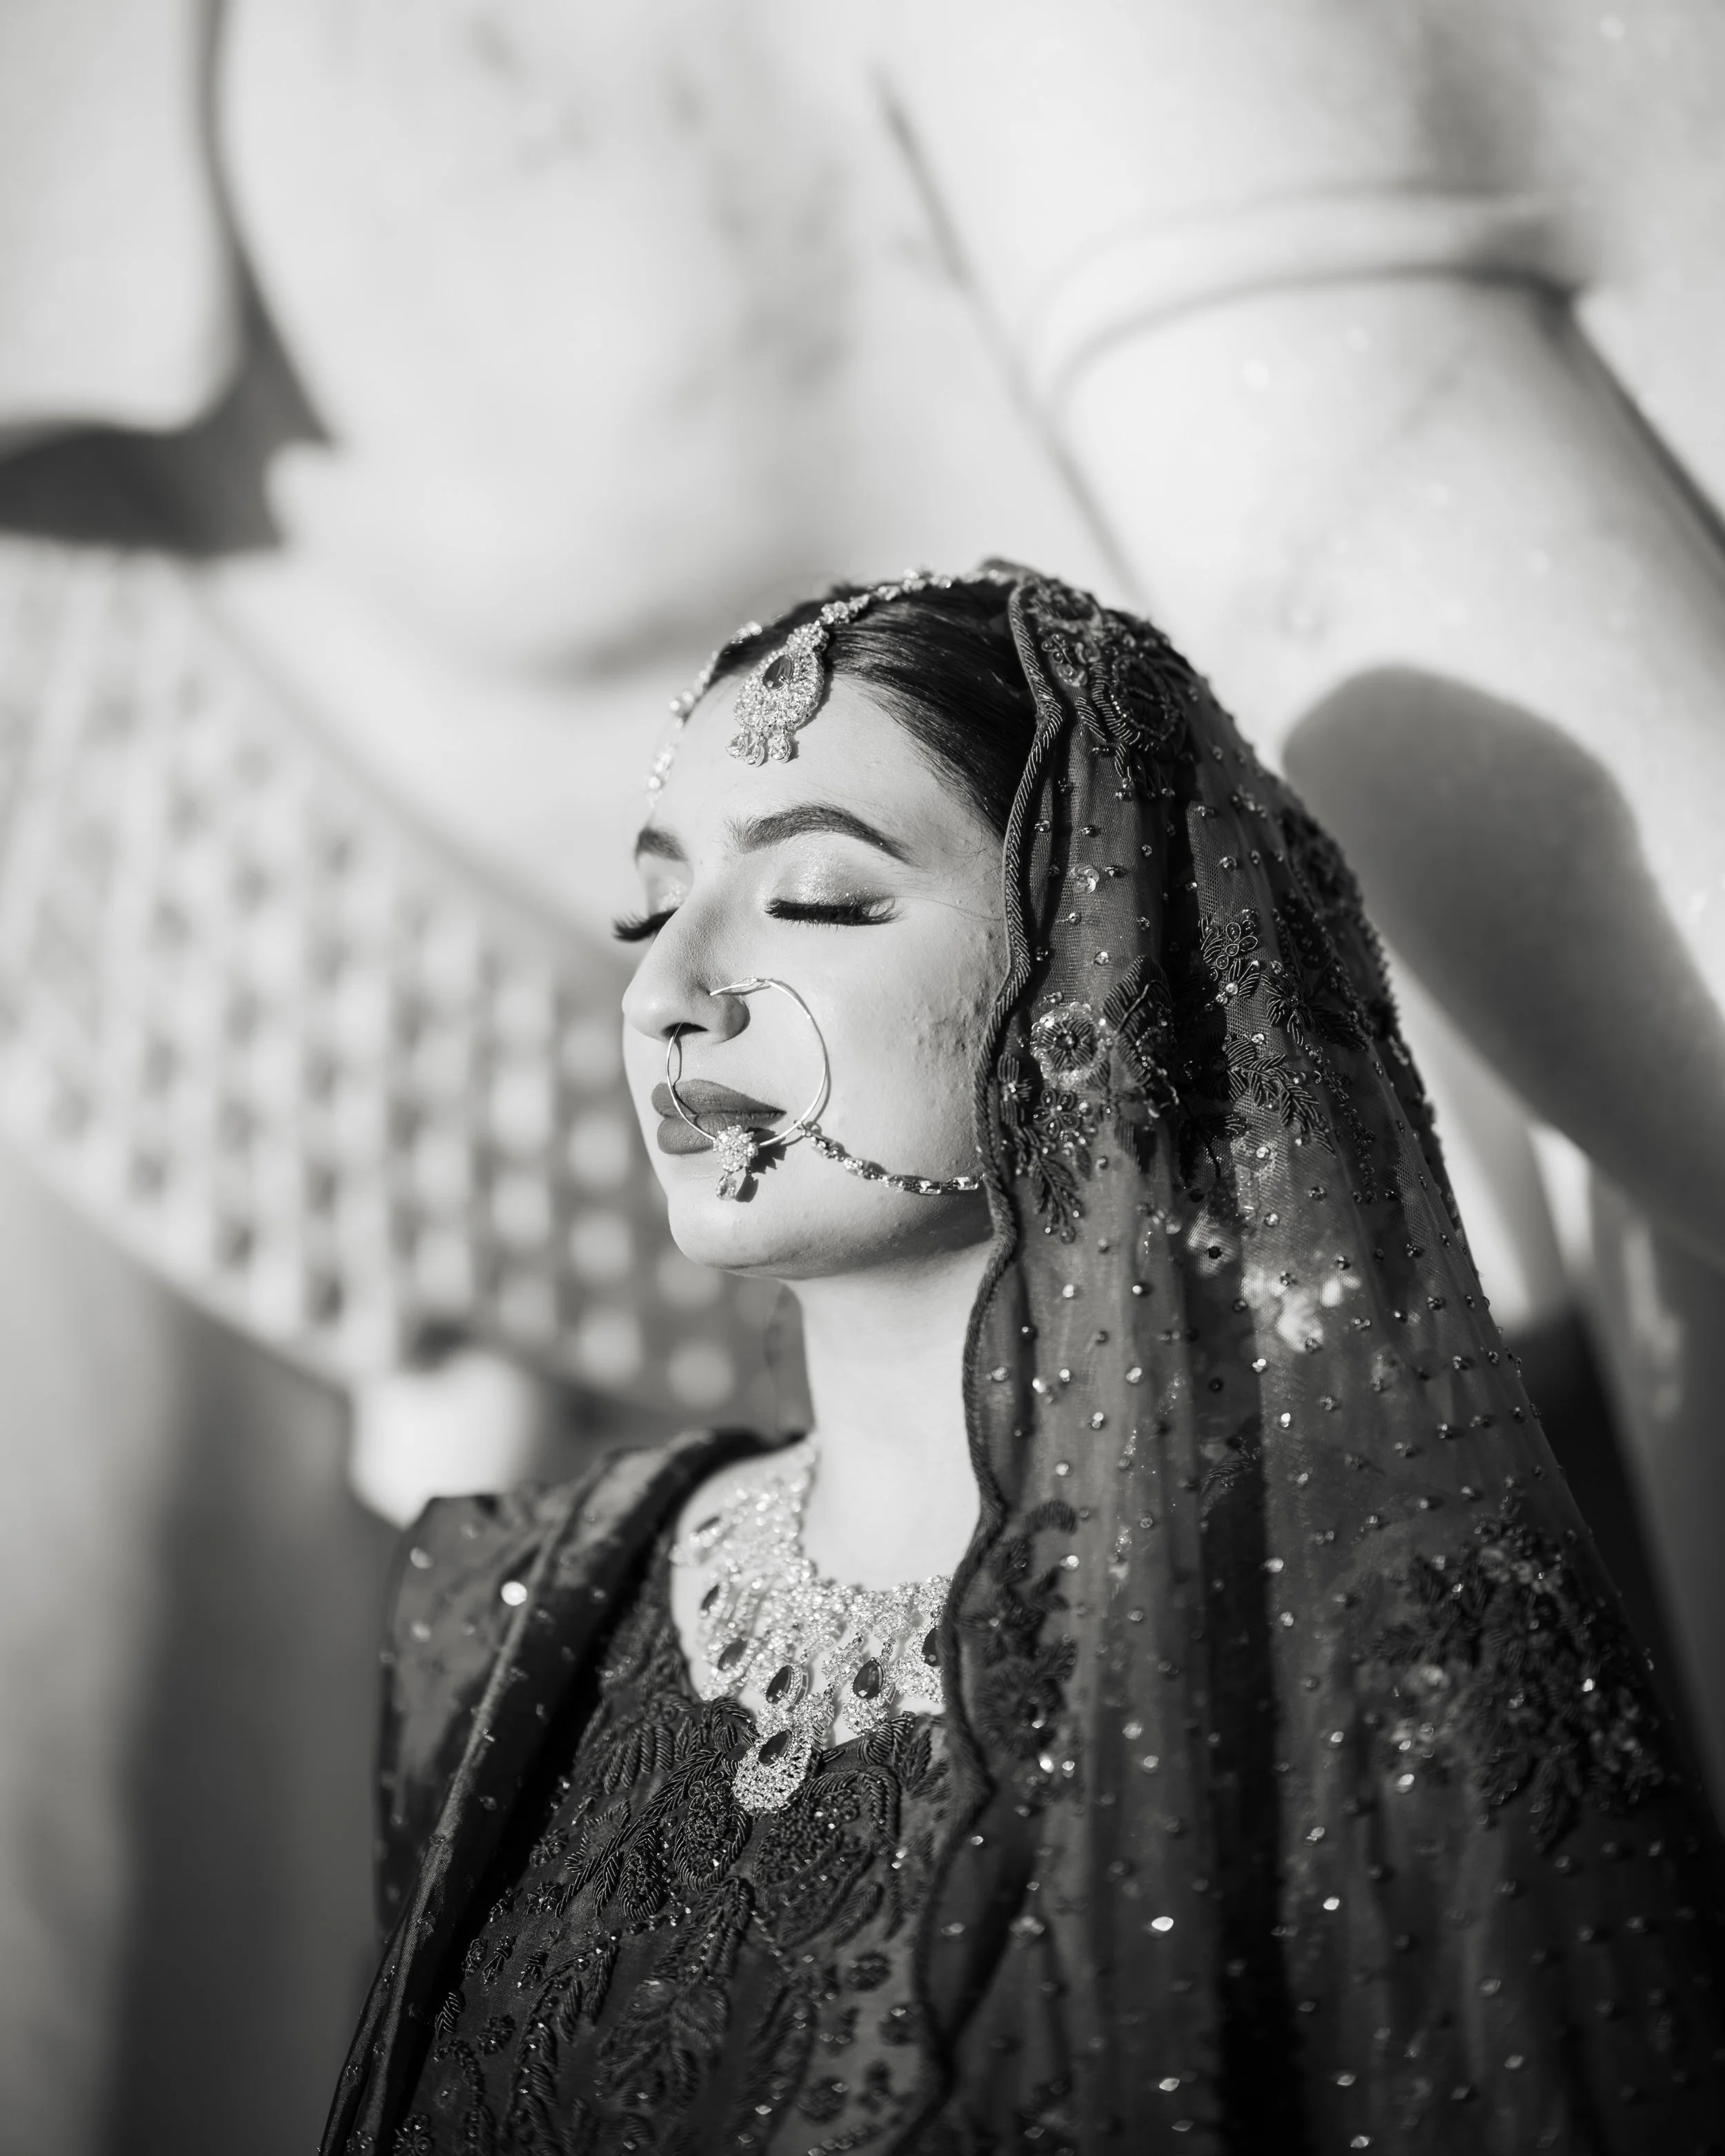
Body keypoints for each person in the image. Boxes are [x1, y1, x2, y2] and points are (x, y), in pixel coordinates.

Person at [322, 568, 1725, 2155]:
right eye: (648, 912)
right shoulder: (510, 1616)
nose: (663, 994)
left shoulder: (1370, 1656)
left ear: (1085, 976)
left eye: (821, 901)